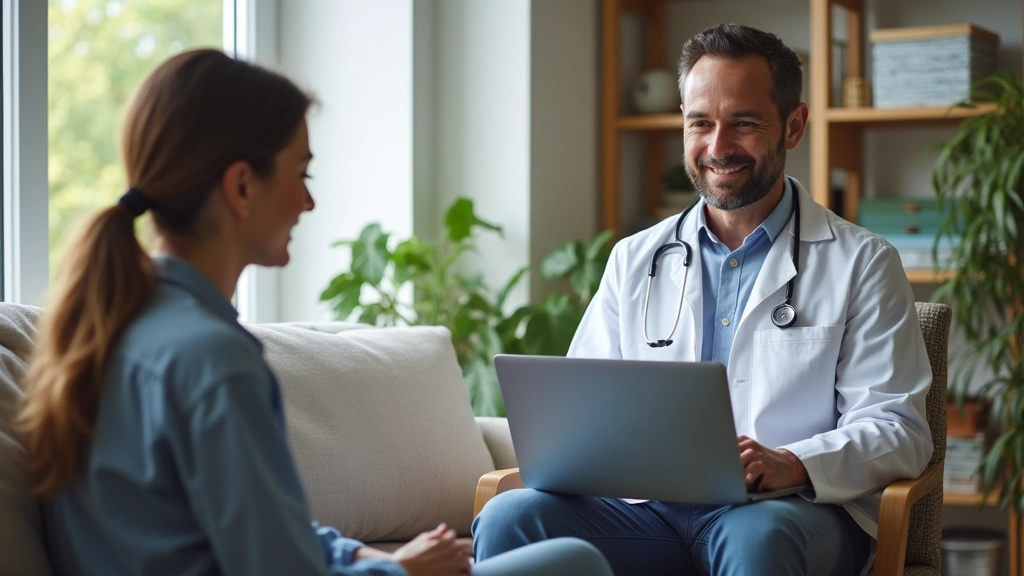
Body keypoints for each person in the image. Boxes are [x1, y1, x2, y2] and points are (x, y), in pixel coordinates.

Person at [16, 49, 612, 576]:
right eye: (301, 173)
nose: (309, 200)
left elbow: (253, 535)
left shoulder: (102, 325)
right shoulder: (213, 359)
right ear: (241, 187)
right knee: (575, 560)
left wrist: (365, 557)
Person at [473, 23, 933, 576]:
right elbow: (582, 410)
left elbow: (899, 429)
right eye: (700, 123)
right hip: (648, 516)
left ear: (794, 125)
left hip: (786, 510)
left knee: (756, 541)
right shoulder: (634, 259)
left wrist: (791, 463)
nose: (718, 148)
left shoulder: (863, 263)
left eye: (743, 123)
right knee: (509, 519)